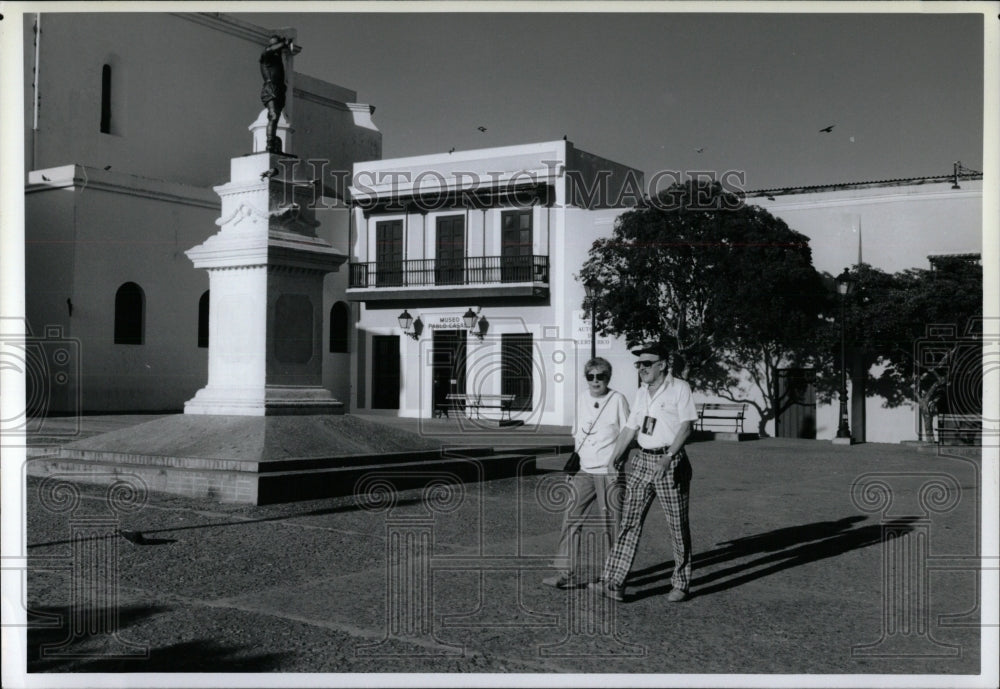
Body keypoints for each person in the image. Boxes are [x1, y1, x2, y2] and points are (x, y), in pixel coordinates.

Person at [589, 342, 699, 602]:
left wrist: (668, 457)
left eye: (647, 363)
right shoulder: (641, 393)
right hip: (642, 461)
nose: (641, 368)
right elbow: (630, 428)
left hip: (670, 463)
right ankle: (614, 582)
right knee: (629, 522)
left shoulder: (680, 389)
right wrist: (614, 457)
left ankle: (680, 584)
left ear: (662, 364)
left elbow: (686, 427)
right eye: (638, 364)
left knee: (676, 526)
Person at [543, 357, 630, 589]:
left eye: (600, 376)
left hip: (608, 472)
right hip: (584, 470)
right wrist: (573, 467)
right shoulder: (582, 399)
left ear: (607, 378)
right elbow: (578, 435)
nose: (595, 381)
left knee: (612, 524)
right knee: (571, 518)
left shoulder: (618, 400)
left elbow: (627, 435)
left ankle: (614, 577)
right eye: (590, 376)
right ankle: (564, 571)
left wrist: (618, 462)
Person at [259, 35, 293, 154]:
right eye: (275, 45)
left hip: (278, 90)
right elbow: (269, 50)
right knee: (273, 115)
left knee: (276, 116)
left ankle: (273, 145)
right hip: (270, 88)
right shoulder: (267, 57)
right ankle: (270, 145)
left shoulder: (278, 60)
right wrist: (283, 43)